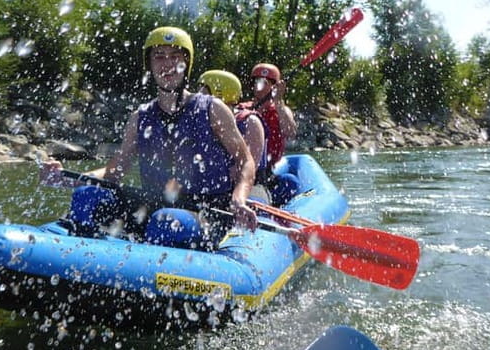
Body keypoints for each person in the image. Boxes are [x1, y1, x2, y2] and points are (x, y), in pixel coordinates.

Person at [40, 26, 257, 250]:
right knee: (87, 195)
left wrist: (239, 198)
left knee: (166, 221)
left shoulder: (213, 109)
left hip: (205, 212)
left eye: (175, 57)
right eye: (159, 57)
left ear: (186, 64)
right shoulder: (140, 117)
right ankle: (76, 261)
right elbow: (114, 172)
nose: (167, 64)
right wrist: (66, 178)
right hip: (154, 206)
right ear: (150, 65)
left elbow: (245, 160)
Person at [196, 69, 269, 201]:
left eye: (203, 92)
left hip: (251, 187)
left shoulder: (250, 123)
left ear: (220, 94)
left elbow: (246, 170)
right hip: (218, 188)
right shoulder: (204, 121)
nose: (198, 96)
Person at [240, 63, 300, 204]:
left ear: (274, 87)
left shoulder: (281, 111)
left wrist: (278, 101)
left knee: (289, 182)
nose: (259, 86)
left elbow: (290, 132)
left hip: (266, 174)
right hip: (244, 171)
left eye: (265, 83)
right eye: (256, 82)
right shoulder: (243, 108)